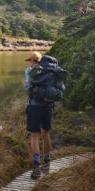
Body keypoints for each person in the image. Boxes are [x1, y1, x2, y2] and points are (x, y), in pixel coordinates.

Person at [24, 51, 53, 179]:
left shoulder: (29, 71)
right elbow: (61, 88)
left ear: (32, 61)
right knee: (45, 134)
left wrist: (25, 85)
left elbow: (28, 87)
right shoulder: (51, 71)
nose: (29, 63)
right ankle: (46, 163)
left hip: (34, 107)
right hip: (47, 107)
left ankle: (36, 168)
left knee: (34, 137)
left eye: (30, 60)